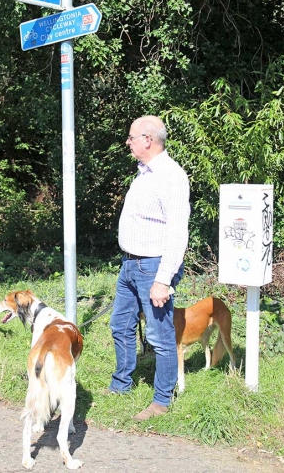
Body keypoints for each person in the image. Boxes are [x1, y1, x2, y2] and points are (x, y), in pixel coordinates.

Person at [107, 115, 190, 421]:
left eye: (131, 137)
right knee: (120, 325)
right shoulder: (144, 173)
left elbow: (178, 232)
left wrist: (163, 280)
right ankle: (121, 385)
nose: (127, 142)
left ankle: (161, 401)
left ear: (148, 140)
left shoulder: (171, 175)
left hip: (153, 267)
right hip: (130, 264)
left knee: (159, 336)